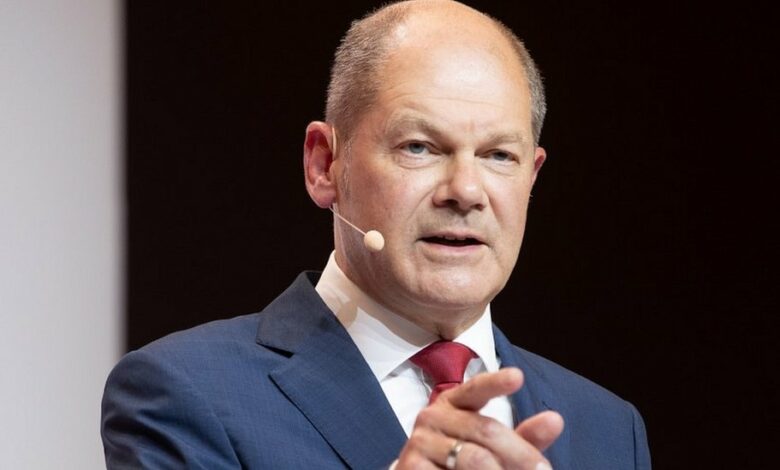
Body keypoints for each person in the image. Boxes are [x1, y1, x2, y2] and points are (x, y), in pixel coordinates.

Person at [102, 1, 651, 468]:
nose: (465, 190)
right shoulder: (186, 393)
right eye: (420, 147)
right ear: (324, 165)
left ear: (532, 177)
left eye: (499, 155)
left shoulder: (608, 430)